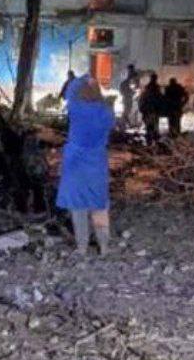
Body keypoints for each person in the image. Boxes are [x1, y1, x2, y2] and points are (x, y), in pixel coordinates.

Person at [56, 75, 115, 255]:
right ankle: (104, 245)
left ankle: (81, 247)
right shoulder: (106, 112)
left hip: (76, 162)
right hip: (97, 162)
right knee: (99, 205)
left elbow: (69, 92)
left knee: (78, 206)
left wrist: (82, 79)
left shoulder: (76, 108)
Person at [139, 72, 163, 144]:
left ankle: (150, 138)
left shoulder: (149, 88)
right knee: (153, 124)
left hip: (149, 109)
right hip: (153, 109)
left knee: (150, 125)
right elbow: (160, 99)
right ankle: (153, 137)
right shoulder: (156, 88)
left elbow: (142, 99)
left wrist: (142, 108)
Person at [118, 64, 140, 129]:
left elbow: (122, 89)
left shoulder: (128, 80)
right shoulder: (133, 78)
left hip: (129, 97)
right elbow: (135, 87)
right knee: (128, 111)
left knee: (128, 111)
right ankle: (126, 124)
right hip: (130, 98)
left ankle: (126, 124)